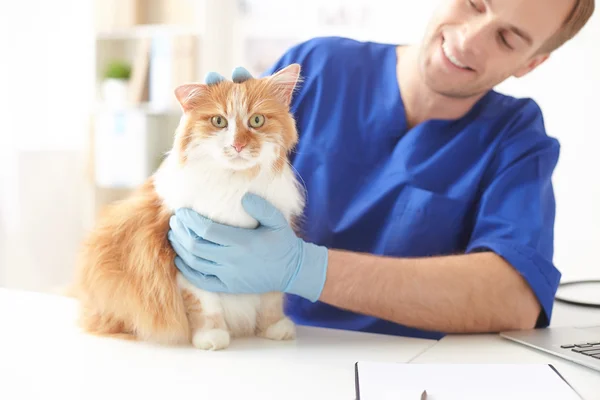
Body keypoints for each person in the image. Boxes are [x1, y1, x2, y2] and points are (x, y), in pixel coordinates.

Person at [168, 0, 595, 340]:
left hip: (417, 375)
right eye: (473, 3)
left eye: (507, 38)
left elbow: (514, 299)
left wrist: (305, 268)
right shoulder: (318, 69)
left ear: (530, 63)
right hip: (280, 347)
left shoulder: (515, 137)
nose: (468, 41)